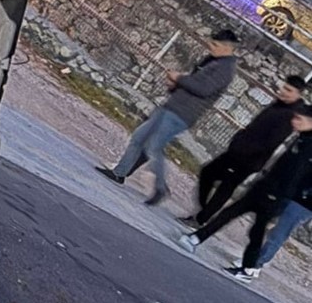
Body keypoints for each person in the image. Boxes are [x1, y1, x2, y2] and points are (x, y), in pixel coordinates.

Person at [96, 29, 239, 205]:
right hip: (172, 105)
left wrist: (179, 78)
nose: (210, 47)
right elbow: (194, 81)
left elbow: (203, 89)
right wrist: (176, 84)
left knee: (153, 147)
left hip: (183, 113)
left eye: (215, 45)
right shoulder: (213, 61)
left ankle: (160, 187)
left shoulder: (225, 69)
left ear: (227, 47)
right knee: (139, 137)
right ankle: (119, 172)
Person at [178, 104, 312, 282]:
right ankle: (197, 238)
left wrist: (278, 195)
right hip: (266, 187)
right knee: (231, 213)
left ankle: (249, 269)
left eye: (299, 119)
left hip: (276, 194)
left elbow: (294, 174)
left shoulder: (308, 146)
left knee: (256, 232)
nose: (294, 122)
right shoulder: (301, 138)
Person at [180, 74, 307, 227]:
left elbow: (272, 141)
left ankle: (201, 219)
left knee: (225, 187)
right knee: (208, 172)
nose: (283, 91)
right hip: (237, 150)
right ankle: (202, 210)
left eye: (288, 90)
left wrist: (245, 149)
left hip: (249, 159)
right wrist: (239, 139)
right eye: (284, 87)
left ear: (298, 93)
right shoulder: (279, 105)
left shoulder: (292, 114)